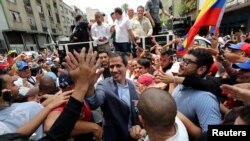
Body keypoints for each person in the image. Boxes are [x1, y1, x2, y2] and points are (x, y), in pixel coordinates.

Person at [0, 47, 101, 141]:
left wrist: (49, 102)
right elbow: (49, 129)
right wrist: (81, 87)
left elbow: (33, 110)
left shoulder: (13, 106)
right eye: (13, 84)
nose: (17, 86)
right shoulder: (2, 124)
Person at [85, 52, 139, 141]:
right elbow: (94, 103)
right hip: (113, 137)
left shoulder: (132, 85)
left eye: (118, 66)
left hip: (133, 137)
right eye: (111, 66)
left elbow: (136, 109)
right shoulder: (104, 85)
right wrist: (90, 87)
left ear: (126, 67)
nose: (114, 70)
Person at [172, 48, 222, 140]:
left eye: (187, 62)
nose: (181, 64)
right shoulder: (180, 85)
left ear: (201, 70)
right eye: (182, 60)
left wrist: (175, 114)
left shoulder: (205, 99)